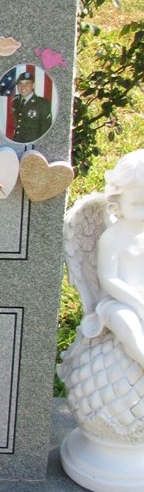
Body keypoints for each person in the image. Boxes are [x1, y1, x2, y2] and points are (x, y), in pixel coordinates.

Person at [82, 150, 144, 367]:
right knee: (129, 325)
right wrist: (137, 302)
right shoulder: (113, 236)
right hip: (117, 302)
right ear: (117, 199)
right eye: (137, 204)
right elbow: (109, 278)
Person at [10, 70, 52, 142]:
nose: (23, 87)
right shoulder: (14, 101)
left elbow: (46, 131)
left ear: (33, 85)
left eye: (27, 83)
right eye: (20, 84)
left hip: (33, 145)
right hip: (15, 142)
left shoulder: (42, 103)